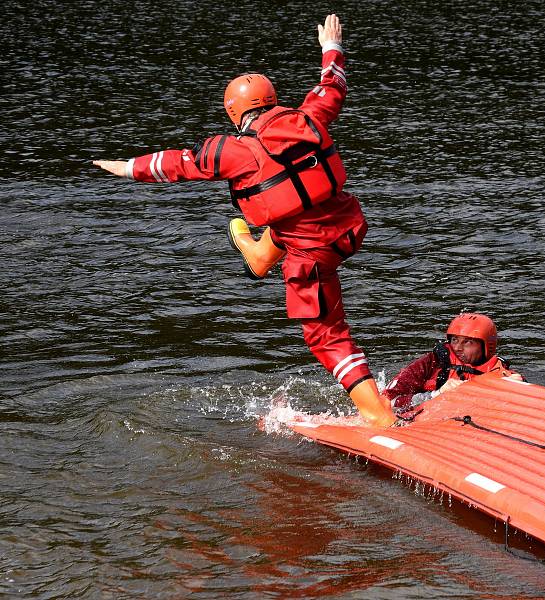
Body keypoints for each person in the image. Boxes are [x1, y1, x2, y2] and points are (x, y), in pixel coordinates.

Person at [93, 14, 396, 427]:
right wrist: (332, 46)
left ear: (233, 112)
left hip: (311, 254)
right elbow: (333, 85)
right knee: (285, 212)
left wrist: (126, 167)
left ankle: (377, 415)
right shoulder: (310, 117)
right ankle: (258, 255)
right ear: (272, 100)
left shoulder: (233, 151)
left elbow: (178, 164)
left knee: (325, 333)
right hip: (349, 227)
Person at [383, 313, 523, 413]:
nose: (457, 347)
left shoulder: (500, 371)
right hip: (425, 419)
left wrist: (519, 386)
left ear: (485, 346)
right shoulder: (432, 362)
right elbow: (388, 401)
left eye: (467, 342)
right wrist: (437, 394)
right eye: (455, 340)